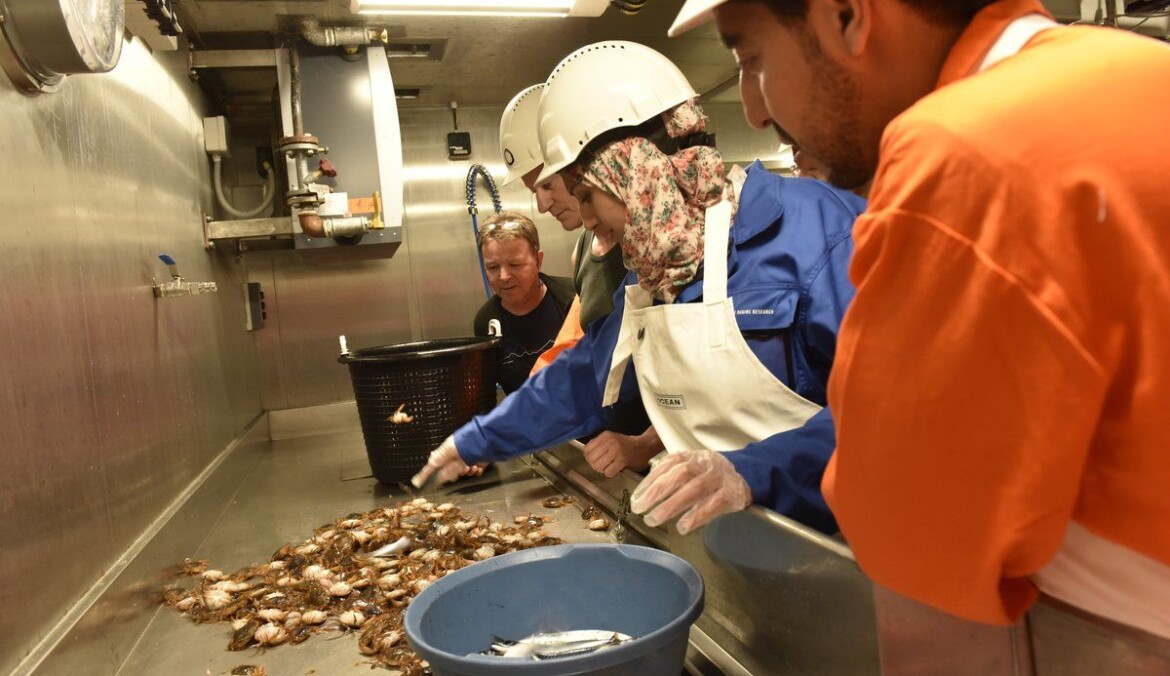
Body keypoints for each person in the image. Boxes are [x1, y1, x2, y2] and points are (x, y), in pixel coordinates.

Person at [665, 0, 1170, 637]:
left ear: (847, 15)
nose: (757, 111)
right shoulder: (1136, 69)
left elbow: (920, 560)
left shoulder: (959, 152)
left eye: (752, 60)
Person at [415, 41, 866, 536]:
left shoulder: (820, 231)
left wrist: (751, 471)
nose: (589, 225)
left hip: (842, 554)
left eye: (586, 195)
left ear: (635, 168)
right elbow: (583, 378)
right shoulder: (654, 275)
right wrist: (475, 440)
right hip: (730, 554)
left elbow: (885, 413)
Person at [501, 83, 656, 473]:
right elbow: (577, 339)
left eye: (548, 185)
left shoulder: (659, 242)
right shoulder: (585, 247)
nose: (541, 204)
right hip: (615, 448)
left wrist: (645, 445)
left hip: (664, 454)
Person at [472, 211, 574, 394]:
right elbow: (486, 394)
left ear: (538, 260)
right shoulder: (486, 322)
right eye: (493, 267)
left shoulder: (572, 299)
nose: (503, 277)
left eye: (515, 265)